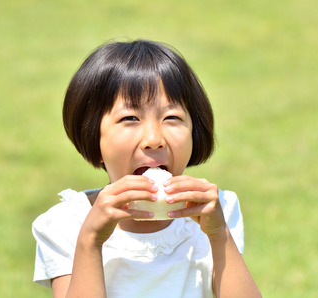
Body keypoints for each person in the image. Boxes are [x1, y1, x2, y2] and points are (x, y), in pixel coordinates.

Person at [32, 39, 261, 298]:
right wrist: (90, 240)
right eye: (130, 118)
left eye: (172, 117)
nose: (154, 139)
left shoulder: (216, 210)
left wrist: (219, 234)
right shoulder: (67, 224)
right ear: (94, 138)